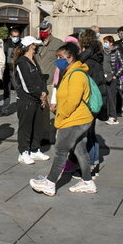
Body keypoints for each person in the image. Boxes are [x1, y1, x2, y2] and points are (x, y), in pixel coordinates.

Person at [29, 43, 97, 196]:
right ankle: (88, 181)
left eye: (60, 57)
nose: (58, 60)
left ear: (70, 57)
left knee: (61, 150)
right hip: (79, 118)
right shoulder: (70, 71)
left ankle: (50, 182)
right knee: (80, 150)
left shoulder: (77, 74)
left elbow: (72, 101)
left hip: (74, 119)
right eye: (57, 57)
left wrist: (61, 116)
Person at [13, 36, 49, 164]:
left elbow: (40, 78)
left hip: (37, 99)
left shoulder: (33, 60)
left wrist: (44, 93)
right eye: (35, 44)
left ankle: (34, 150)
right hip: (26, 100)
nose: (37, 47)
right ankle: (23, 152)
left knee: (37, 125)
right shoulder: (22, 62)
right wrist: (40, 94)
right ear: (30, 46)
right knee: (26, 127)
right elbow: (26, 84)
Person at [35, 21, 64, 140]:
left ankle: (61, 133)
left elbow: (62, 63)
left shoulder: (58, 43)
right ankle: (45, 137)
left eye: (44, 29)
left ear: (50, 30)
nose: (42, 32)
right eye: (41, 29)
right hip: (38, 83)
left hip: (52, 82)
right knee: (43, 112)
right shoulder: (36, 43)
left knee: (55, 109)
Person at [103, 35, 123, 125]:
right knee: (104, 97)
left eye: (106, 42)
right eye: (104, 42)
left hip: (112, 77)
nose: (105, 44)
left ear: (111, 43)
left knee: (112, 97)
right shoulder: (102, 52)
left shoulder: (116, 52)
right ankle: (106, 114)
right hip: (103, 77)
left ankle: (113, 117)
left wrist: (116, 75)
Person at [2, 28, 22, 115]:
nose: (16, 38)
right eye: (14, 36)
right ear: (10, 36)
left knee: (18, 89)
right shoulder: (5, 43)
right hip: (6, 69)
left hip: (15, 70)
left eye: (17, 36)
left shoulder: (21, 44)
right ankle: (5, 109)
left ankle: (21, 107)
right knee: (6, 90)